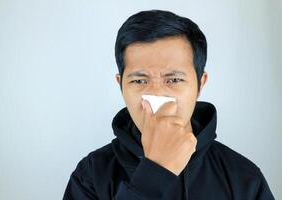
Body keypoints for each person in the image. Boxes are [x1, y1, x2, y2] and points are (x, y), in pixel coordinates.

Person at [63, 10, 275, 200]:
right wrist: (155, 174)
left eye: (174, 80)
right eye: (139, 81)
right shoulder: (90, 175)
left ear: (200, 84)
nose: (156, 96)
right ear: (121, 86)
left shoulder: (243, 177)